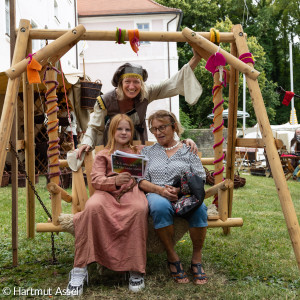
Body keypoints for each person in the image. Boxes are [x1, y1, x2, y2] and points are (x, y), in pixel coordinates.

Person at [65, 114, 148, 295]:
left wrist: (187, 140)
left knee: (139, 208)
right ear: (112, 131)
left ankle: (135, 268)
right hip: (106, 192)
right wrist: (115, 180)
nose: (124, 132)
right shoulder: (104, 154)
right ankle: (79, 268)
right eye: (120, 129)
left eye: (127, 129)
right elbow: (96, 180)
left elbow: (165, 147)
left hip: (131, 191)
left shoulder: (140, 150)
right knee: (93, 207)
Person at [76, 49, 203, 160]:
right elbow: (94, 127)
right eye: (127, 82)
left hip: (138, 145)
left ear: (141, 84)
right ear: (120, 83)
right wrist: (85, 143)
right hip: (112, 146)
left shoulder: (146, 94)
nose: (132, 86)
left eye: (136, 82)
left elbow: (172, 82)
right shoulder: (104, 101)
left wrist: (196, 58)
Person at [138, 110, 208, 285]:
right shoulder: (148, 151)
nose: (158, 132)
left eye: (162, 127)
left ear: (174, 126)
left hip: (184, 195)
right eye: (154, 129)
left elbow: (201, 177)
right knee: (159, 206)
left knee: (200, 209)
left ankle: (196, 258)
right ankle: (172, 255)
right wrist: (160, 191)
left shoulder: (188, 149)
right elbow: (140, 180)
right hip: (156, 193)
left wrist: (180, 190)